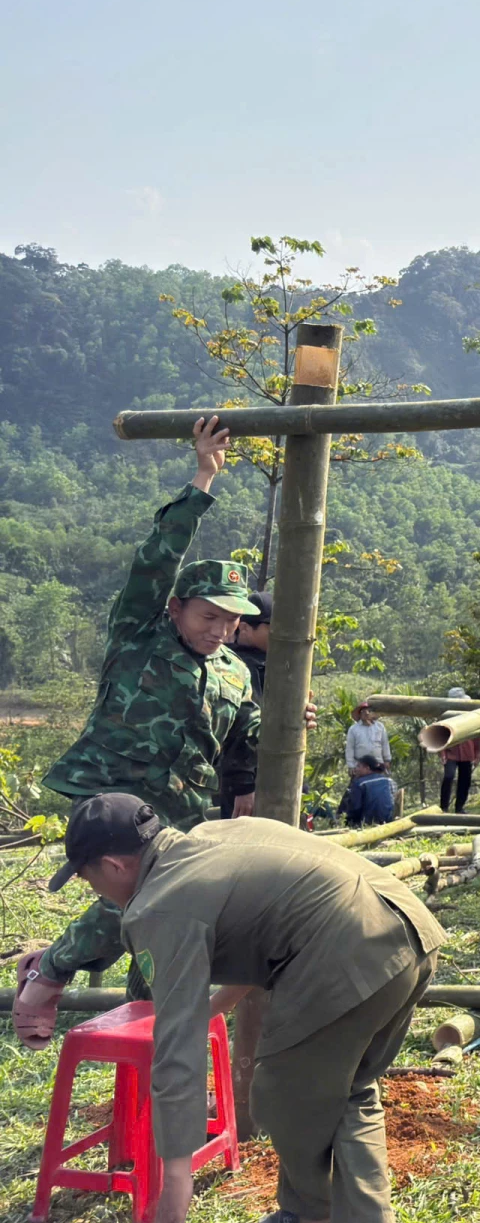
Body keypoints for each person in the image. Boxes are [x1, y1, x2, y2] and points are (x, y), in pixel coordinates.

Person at [34, 794, 443, 1223]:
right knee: (344, 1087)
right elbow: (276, 917)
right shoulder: (210, 837)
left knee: (280, 1093)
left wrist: (176, 1178)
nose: (93, 890)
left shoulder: (159, 906)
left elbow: (177, 1048)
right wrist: (213, 1005)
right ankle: (316, 1214)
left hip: (349, 952)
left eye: (88, 877)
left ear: (114, 865)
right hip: (408, 930)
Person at [11, 415, 314, 1040]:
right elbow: (157, 558)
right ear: (176, 608)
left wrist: (286, 724)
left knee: (167, 920)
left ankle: (147, 1037)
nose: (220, 631)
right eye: (208, 616)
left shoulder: (233, 673)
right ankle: (53, 971)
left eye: (231, 622)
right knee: (146, 902)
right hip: (111, 795)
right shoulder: (140, 637)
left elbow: (244, 745)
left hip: (179, 812)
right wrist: (204, 476)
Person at [217, 590, 273, 819]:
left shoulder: (270, 665)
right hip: (243, 781)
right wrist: (243, 784)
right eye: (270, 626)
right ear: (245, 628)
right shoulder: (238, 668)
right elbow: (241, 730)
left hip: (268, 774)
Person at [437, 687, 480, 813]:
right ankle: (443, 807)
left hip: (467, 753)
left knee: (465, 780)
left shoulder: (470, 716)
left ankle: (459, 807)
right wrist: (442, 753)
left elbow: (476, 735)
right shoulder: (445, 716)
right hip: (451, 752)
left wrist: (477, 753)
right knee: (449, 776)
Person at [340, 757, 397, 829]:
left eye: (358, 766)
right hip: (387, 822)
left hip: (367, 824)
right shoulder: (389, 781)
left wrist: (347, 821)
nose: (356, 769)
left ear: (367, 768)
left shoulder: (359, 783)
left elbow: (355, 808)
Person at [345, 704, 391, 778]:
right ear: (359, 714)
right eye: (363, 711)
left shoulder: (380, 727)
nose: (366, 713)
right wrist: (351, 766)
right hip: (361, 766)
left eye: (369, 711)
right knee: (360, 786)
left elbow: (385, 744)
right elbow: (350, 748)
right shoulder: (353, 729)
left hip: (378, 764)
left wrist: (387, 760)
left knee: (379, 785)